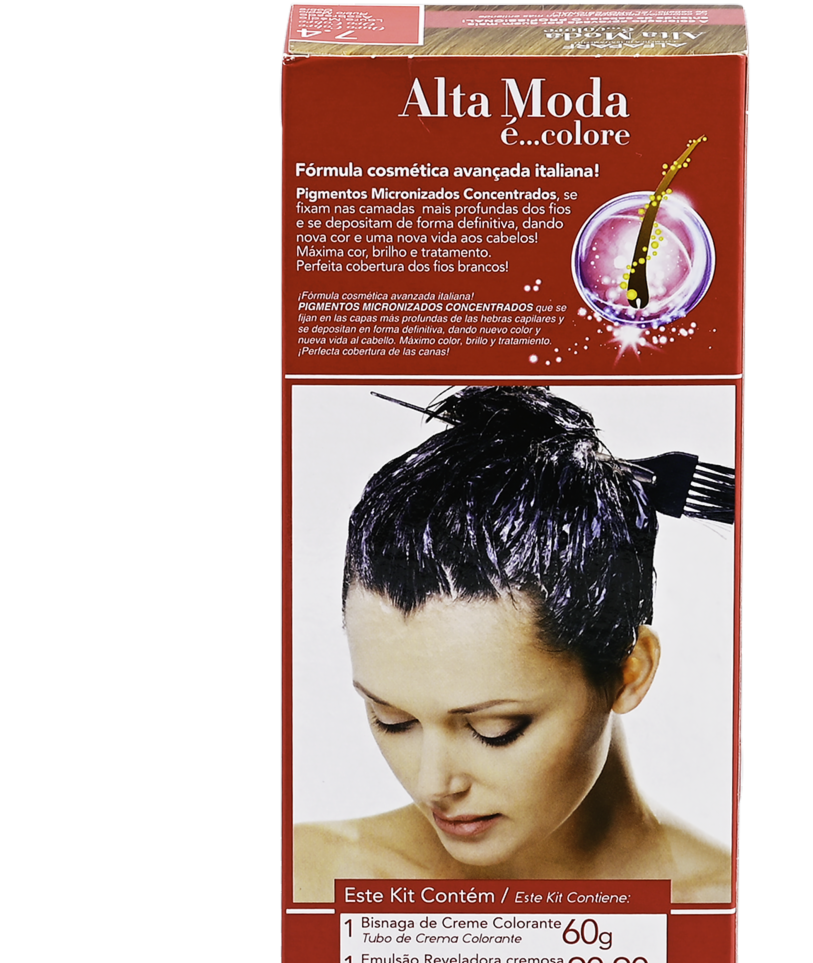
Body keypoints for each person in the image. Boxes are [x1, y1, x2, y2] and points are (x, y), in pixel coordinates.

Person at [292, 386, 732, 903]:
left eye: (494, 730)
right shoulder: (313, 881)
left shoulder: (716, 913)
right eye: (391, 720)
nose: (434, 784)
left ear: (629, 670)